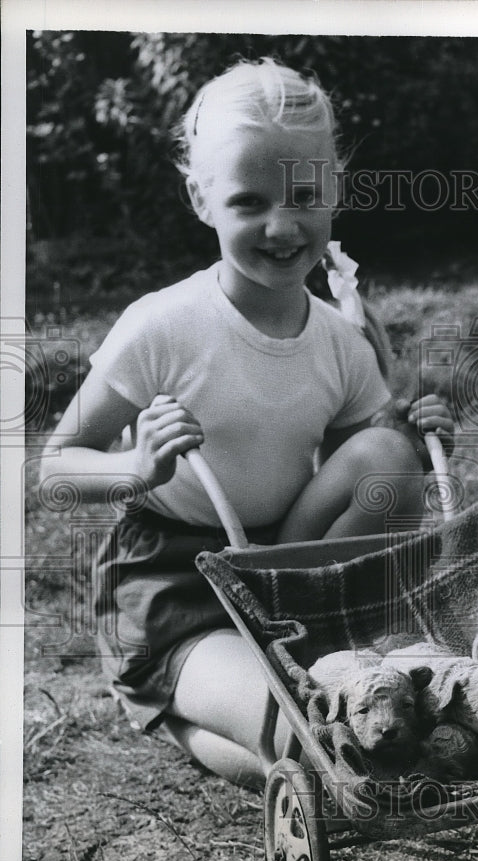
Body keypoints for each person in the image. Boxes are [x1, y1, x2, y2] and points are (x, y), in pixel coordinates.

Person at [40, 59, 454, 789]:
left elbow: (357, 464)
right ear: (201, 199)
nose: (281, 224)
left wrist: (417, 435)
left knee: (390, 454)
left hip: (278, 565)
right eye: (248, 201)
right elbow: (58, 464)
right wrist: (135, 470)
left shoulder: (338, 340)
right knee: (301, 727)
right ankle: (195, 712)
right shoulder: (165, 326)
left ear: (335, 190)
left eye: (303, 197)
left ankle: (315, 630)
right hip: (178, 585)